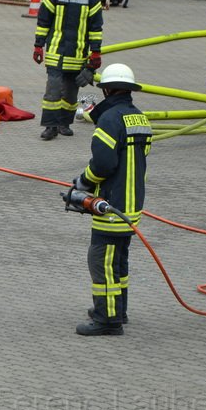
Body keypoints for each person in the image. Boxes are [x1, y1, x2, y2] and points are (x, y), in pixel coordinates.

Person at [69, 63, 150, 336]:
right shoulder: (138, 117)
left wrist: (84, 182)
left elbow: (103, 163)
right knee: (118, 261)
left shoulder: (110, 120)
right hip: (132, 204)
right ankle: (118, 310)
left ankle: (107, 320)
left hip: (112, 203)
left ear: (108, 89)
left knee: (101, 261)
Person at [33, 0, 103, 140]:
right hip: (56, 52)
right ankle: (50, 126)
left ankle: (64, 123)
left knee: (71, 94)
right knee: (53, 91)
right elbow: (43, 22)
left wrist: (95, 51)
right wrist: (38, 45)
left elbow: (96, 28)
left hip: (78, 55)